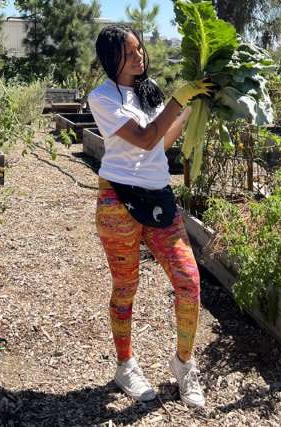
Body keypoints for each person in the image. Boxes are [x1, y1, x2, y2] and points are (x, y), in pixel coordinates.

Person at [88, 24, 213, 409]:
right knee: (126, 287)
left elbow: (161, 140)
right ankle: (125, 365)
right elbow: (142, 137)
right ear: (112, 58)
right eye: (130, 52)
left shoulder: (150, 91)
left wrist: (195, 106)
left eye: (140, 49)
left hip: (159, 196)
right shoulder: (103, 97)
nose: (140, 56)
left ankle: (183, 363)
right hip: (117, 200)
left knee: (189, 280)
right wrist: (179, 97)